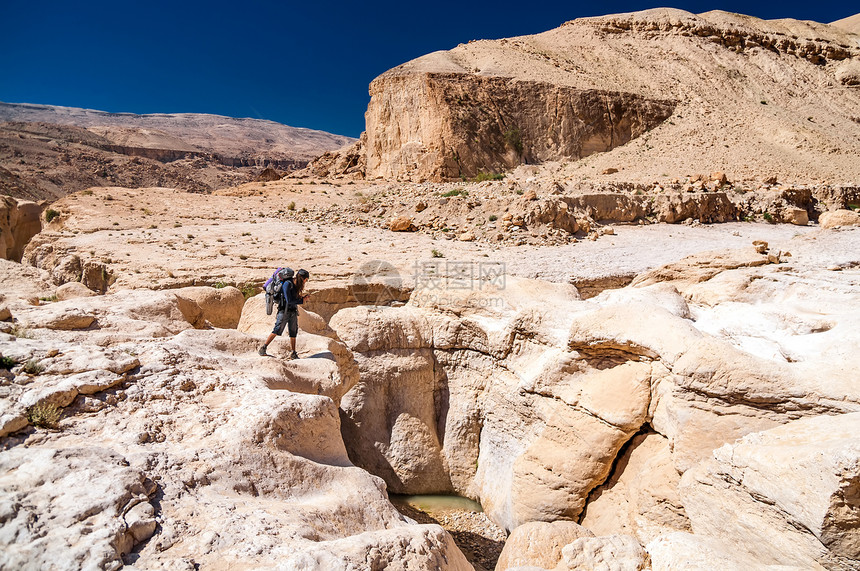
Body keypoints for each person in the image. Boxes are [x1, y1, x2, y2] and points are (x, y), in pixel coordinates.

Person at [259, 268, 310, 359]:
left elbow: (293, 299)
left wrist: (302, 298)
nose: (306, 281)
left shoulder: (296, 285)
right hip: (284, 311)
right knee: (277, 329)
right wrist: (302, 300)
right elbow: (289, 300)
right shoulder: (288, 284)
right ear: (302, 278)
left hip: (293, 311)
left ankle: (293, 353)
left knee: (293, 332)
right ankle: (263, 348)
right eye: (306, 279)